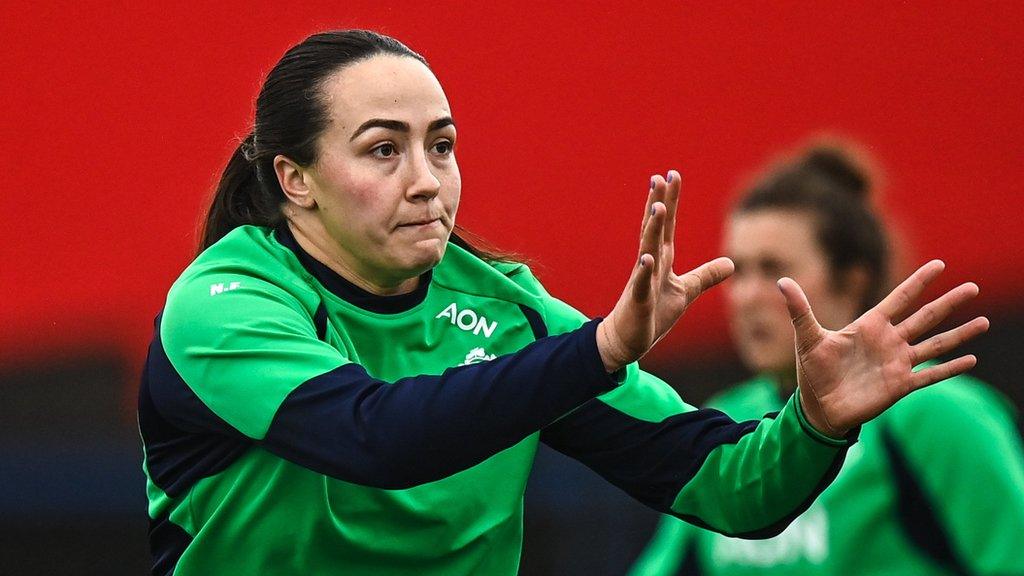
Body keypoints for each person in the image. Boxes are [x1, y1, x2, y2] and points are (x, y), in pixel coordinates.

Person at [137, 31, 987, 576]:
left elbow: (733, 489)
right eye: (382, 150)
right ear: (294, 180)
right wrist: (597, 351)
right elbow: (375, 437)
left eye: (442, 145)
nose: (428, 181)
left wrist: (815, 423)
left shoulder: (509, 315)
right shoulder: (224, 304)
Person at [628, 143, 1024, 576]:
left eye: (773, 269)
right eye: (738, 271)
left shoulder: (936, 414)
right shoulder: (724, 420)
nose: (746, 296)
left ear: (851, 282)